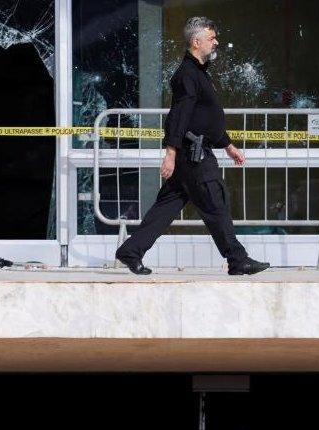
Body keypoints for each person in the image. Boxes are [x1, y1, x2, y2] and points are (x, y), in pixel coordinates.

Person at [115, 16, 270, 276]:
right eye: (211, 38)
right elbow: (179, 116)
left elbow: (204, 118)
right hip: (193, 156)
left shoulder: (198, 73)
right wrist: (171, 154)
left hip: (192, 154)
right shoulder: (187, 75)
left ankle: (131, 250)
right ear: (196, 42)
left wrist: (228, 146)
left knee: (167, 207)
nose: (216, 42)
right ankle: (237, 259)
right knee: (216, 203)